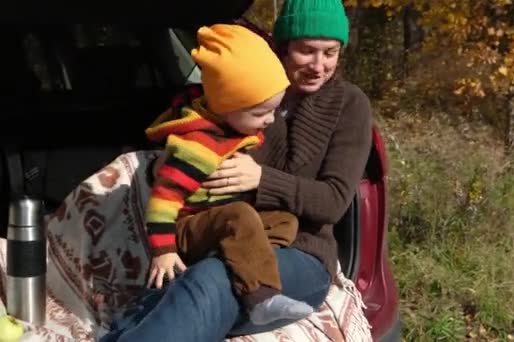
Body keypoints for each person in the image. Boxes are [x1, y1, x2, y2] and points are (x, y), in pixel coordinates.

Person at [99, 0, 373, 341]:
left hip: (301, 254)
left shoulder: (350, 104)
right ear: (283, 47)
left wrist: (262, 180)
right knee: (155, 302)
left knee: (211, 280)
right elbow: (193, 147)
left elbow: (334, 201)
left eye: (330, 53)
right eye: (307, 51)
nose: (319, 65)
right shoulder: (241, 89)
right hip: (221, 238)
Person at [143, 23, 313, 325]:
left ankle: (237, 258)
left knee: (284, 219)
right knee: (239, 215)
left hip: (214, 218)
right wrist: (164, 251)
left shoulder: (232, 125)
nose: (269, 120)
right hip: (185, 227)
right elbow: (162, 200)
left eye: (273, 110)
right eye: (260, 113)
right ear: (226, 106)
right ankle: (260, 298)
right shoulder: (198, 146)